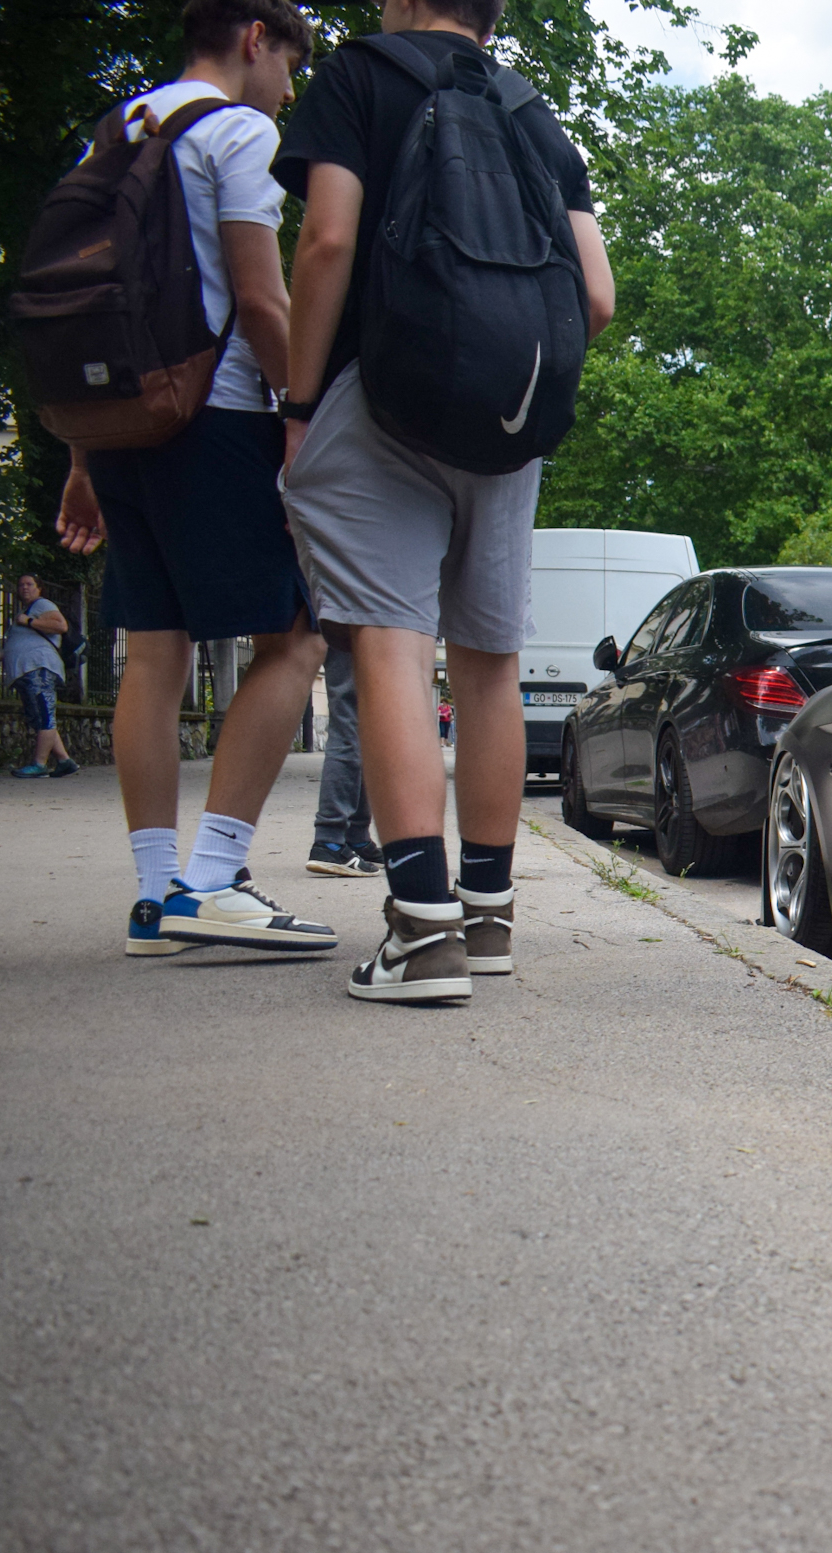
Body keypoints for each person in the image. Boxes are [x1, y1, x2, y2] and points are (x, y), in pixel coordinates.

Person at [273, 0, 614, 1003]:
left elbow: (327, 241)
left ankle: (420, 935)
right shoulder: (532, 115)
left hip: (378, 397)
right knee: (489, 662)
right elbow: (596, 296)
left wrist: (297, 408)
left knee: (389, 642)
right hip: (509, 418)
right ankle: (489, 922)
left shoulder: (358, 75)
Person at [54, 0, 338, 960]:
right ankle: (212, 880)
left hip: (120, 421)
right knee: (295, 640)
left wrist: (84, 455)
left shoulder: (114, 127)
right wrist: (304, 409)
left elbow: (94, 305)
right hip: (210, 414)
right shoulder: (236, 129)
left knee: (152, 650)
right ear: (255, 38)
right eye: (290, 64)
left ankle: (152, 900)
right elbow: (260, 296)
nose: (291, 89)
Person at [306, 645, 381, 874]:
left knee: (362, 723)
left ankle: (355, 838)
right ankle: (330, 840)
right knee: (351, 715)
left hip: (339, 616)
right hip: (367, 616)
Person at [0, 575, 78, 779]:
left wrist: (30, 621)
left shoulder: (42, 605)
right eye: (21, 584)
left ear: (39, 588)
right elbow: (12, 646)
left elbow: (61, 626)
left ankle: (39, 764)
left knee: (44, 715)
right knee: (39, 717)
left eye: (29, 584)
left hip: (40, 667)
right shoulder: (25, 611)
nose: (24, 587)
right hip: (26, 671)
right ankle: (64, 761)